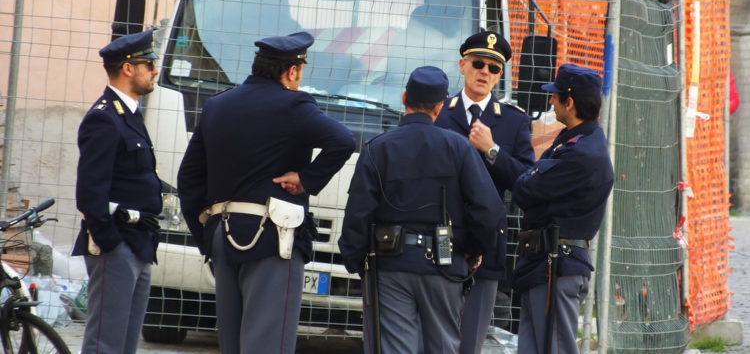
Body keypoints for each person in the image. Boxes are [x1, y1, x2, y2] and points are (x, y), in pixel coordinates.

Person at [177, 31, 356, 354]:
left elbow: (189, 180)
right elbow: (343, 140)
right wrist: (306, 178)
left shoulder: (217, 105)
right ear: (291, 72)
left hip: (222, 235)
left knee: (232, 343)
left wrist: (207, 237)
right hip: (271, 237)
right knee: (267, 344)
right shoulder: (294, 105)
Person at [339, 65, 503, 354]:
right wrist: (472, 250)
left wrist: (356, 261)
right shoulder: (459, 147)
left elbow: (358, 212)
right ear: (439, 108)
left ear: (404, 98)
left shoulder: (378, 147)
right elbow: (489, 209)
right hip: (445, 264)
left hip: (391, 265)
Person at [434, 30, 535, 354]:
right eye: (478, 63)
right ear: (462, 65)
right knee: (434, 338)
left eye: (493, 68)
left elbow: (525, 180)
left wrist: (491, 150)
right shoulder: (440, 114)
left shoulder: (513, 122)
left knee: (470, 341)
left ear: (500, 75)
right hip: (439, 236)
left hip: (487, 242)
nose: (484, 72)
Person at [511, 63, 614, 354]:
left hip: (558, 264)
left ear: (570, 103)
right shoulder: (574, 138)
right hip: (544, 263)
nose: (551, 100)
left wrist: (534, 172)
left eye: (556, 96)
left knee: (556, 348)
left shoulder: (582, 152)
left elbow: (524, 189)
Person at [73, 29, 163, 354]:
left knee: (124, 345)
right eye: (149, 64)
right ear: (128, 68)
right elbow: (89, 194)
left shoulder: (130, 114)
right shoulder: (105, 119)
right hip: (118, 246)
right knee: (105, 344)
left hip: (138, 244)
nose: (155, 70)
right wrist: (111, 245)